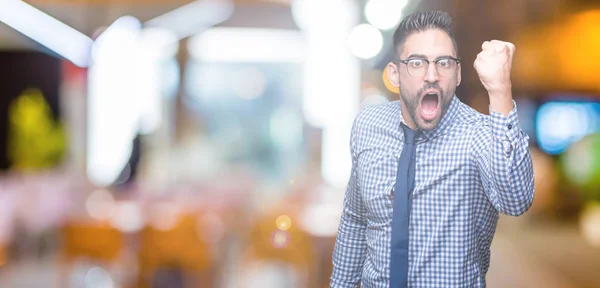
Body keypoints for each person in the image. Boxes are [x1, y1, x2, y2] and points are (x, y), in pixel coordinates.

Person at [330, 10, 534, 288]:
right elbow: (355, 219)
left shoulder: (480, 135)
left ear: (458, 73)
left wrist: (500, 90)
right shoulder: (368, 126)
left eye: (444, 63)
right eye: (416, 62)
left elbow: (516, 201)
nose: (431, 75)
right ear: (395, 74)